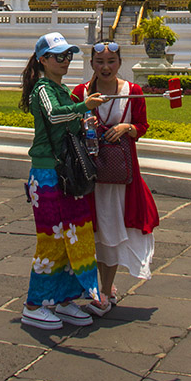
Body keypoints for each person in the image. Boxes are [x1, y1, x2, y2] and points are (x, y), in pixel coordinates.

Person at [19, 31, 108, 330]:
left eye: (68, 55)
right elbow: (55, 117)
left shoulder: (62, 89)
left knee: (75, 234)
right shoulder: (43, 89)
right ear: (43, 60)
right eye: (59, 56)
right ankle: (35, 304)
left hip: (67, 174)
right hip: (47, 174)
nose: (65, 61)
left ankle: (65, 299)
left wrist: (85, 120)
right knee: (53, 239)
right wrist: (83, 107)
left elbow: (67, 121)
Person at [72, 40, 159, 313]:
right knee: (94, 235)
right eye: (99, 62)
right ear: (91, 65)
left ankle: (105, 294)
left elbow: (142, 126)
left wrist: (125, 127)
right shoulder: (80, 93)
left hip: (119, 178)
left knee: (109, 233)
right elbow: (70, 125)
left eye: (111, 62)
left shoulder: (132, 92)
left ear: (120, 63)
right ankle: (102, 287)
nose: (105, 67)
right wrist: (84, 121)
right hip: (88, 176)